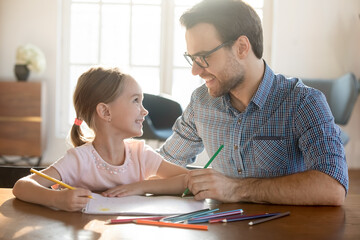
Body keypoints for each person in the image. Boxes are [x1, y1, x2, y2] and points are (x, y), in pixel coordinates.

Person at [159, 0, 348, 205]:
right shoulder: (201, 102)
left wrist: (235, 189)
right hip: (220, 229)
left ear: (241, 47)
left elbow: (332, 187)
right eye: (192, 58)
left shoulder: (304, 102)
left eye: (203, 57)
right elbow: (161, 165)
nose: (195, 71)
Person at [13, 67, 188, 212]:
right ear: (105, 112)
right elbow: (22, 186)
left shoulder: (141, 154)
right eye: (136, 100)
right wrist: (57, 199)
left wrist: (142, 186)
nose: (145, 111)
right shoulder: (79, 159)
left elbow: (190, 180)